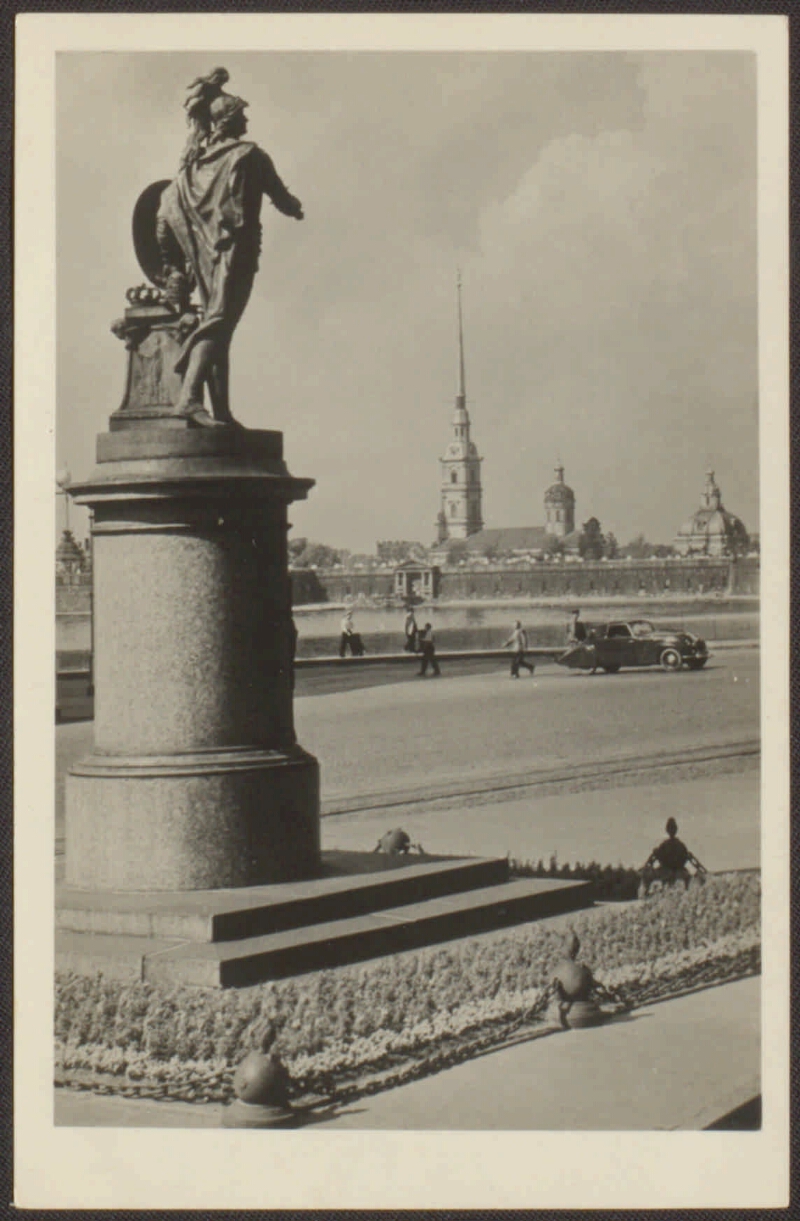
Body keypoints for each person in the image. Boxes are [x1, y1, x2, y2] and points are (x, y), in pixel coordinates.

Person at [155, 69, 304, 426]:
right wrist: (296, 208)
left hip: (205, 258)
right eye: (242, 115)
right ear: (229, 121)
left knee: (218, 325)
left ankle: (220, 410)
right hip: (237, 252)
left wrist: (173, 264)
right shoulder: (249, 155)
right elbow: (283, 199)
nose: (248, 119)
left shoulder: (190, 170)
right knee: (220, 323)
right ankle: (189, 397)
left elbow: (163, 217)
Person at [639, 817, 707, 896]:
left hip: (665, 872)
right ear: (676, 829)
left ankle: (646, 893)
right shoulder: (681, 846)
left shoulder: (664, 845)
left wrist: (647, 866)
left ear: (667, 830)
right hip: (680, 871)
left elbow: (652, 861)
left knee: (647, 874)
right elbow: (690, 860)